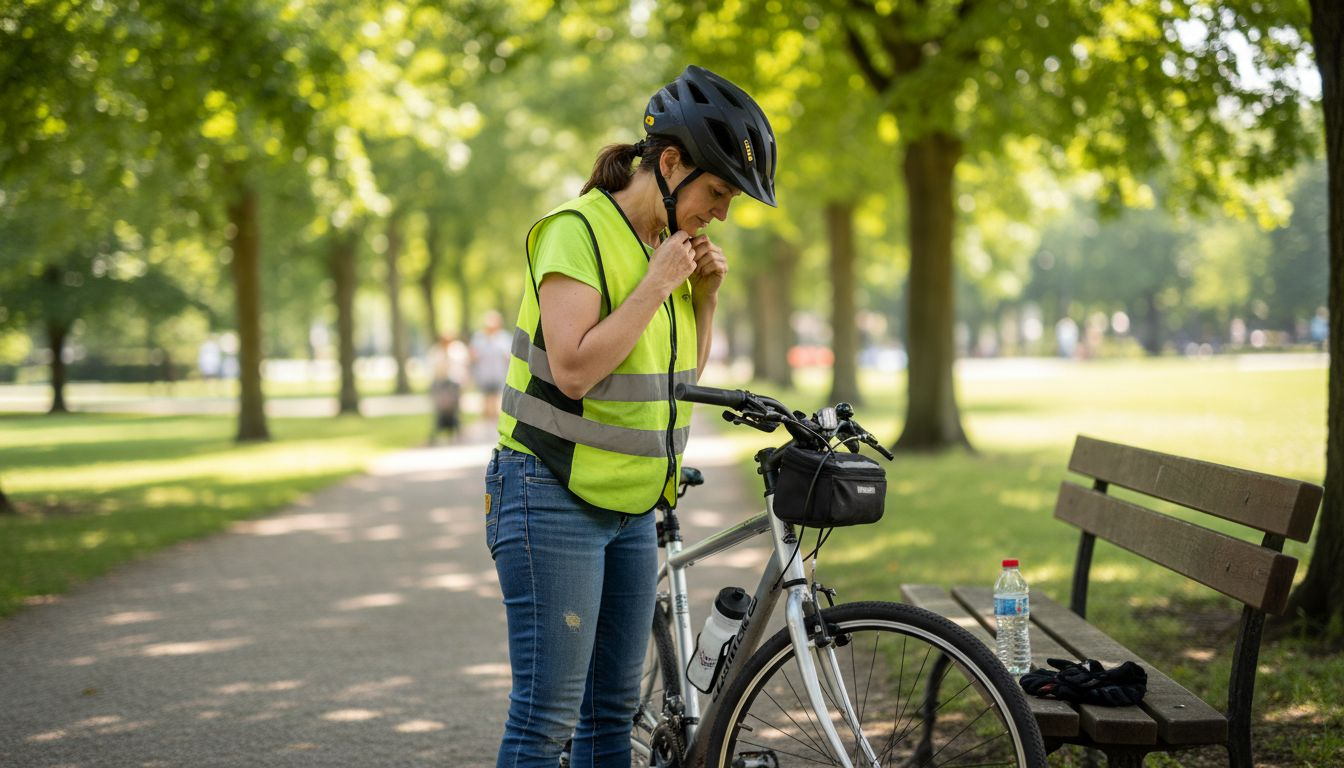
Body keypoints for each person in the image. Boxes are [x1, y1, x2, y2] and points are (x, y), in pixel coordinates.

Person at [483, 65, 778, 767]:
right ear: (669, 163)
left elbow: (676, 381)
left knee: (611, 718)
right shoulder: (574, 233)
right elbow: (577, 370)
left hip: (631, 505)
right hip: (548, 494)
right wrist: (658, 284)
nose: (722, 213)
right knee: (546, 722)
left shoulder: (663, 249)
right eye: (717, 192)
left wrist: (702, 298)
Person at [427, 332, 470, 444]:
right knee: (441, 409)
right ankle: (439, 431)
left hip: (455, 383)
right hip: (441, 383)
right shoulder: (436, 351)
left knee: (455, 409)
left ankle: (457, 431)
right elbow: (434, 369)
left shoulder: (458, 350)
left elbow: (463, 366)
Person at [470, 310, 512, 420]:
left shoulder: (504, 337)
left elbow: (509, 356)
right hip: (484, 374)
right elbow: (473, 355)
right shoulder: (479, 337)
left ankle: (495, 425)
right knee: (485, 401)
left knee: (498, 401)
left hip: (499, 374)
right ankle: (487, 425)